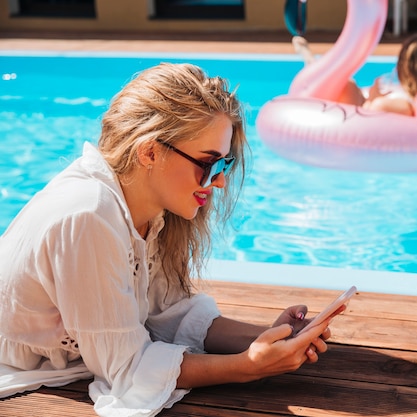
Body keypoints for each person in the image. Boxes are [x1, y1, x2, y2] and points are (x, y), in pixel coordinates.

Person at [0, 63, 337, 417]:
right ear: (149, 153)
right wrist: (247, 367)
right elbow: (126, 367)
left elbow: (165, 312)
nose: (218, 182)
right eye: (208, 163)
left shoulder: (144, 208)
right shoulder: (89, 215)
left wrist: (269, 336)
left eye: (224, 165)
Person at [293, 32, 417, 123]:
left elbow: (365, 117)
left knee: (345, 83)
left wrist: (373, 99)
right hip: (386, 105)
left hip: (365, 114)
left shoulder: (407, 105)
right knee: (346, 84)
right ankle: (308, 57)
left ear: (403, 68)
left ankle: (308, 57)